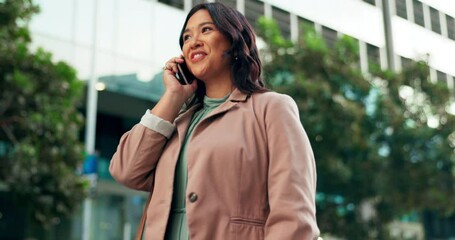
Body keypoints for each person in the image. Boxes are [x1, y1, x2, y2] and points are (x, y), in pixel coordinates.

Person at [110, 2, 320, 239]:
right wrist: (173, 97)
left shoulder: (271, 108)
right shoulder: (177, 121)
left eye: (206, 30)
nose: (194, 41)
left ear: (234, 40)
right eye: (186, 37)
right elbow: (125, 171)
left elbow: (293, 216)